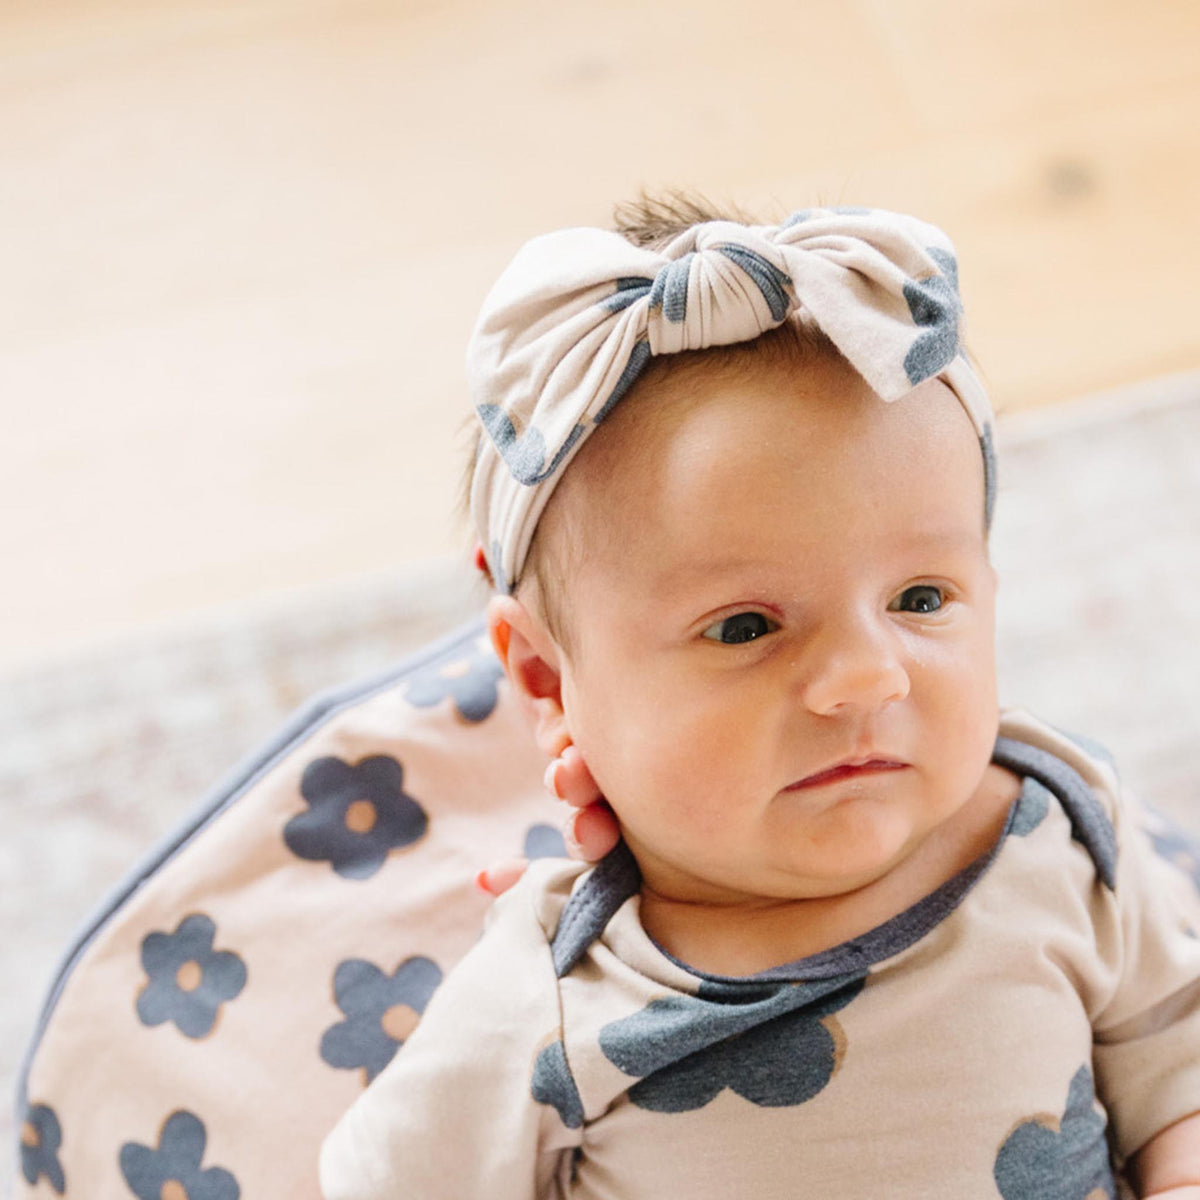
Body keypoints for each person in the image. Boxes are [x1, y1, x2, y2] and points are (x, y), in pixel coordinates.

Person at [319, 195, 1200, 1198]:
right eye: (746, 626)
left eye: (920, 598)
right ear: (547, 679)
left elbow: (1176, 1056)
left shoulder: (1059, 826)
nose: (871, 674)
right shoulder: (555, 999)